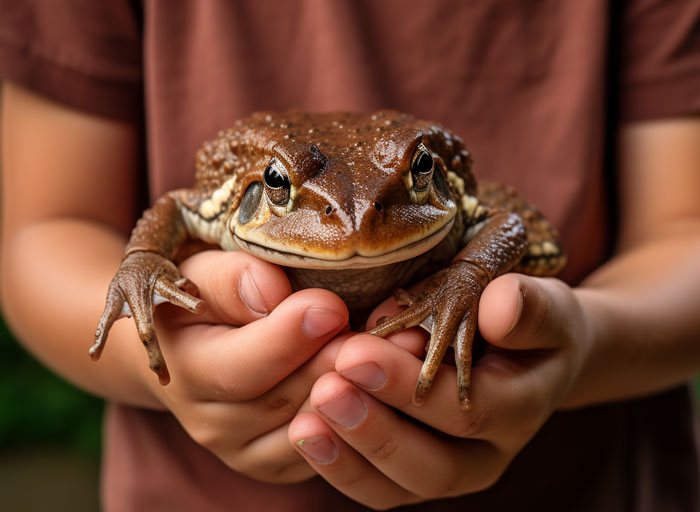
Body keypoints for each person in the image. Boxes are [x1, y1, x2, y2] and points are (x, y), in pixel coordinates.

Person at [1, 1, 700, 510]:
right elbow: (140, 215)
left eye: (409, 184)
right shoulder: (218, 190)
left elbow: (528, 228)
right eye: (280, 187)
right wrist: (157, 349)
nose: (359, 223)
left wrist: (569, 339)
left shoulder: (456, 207)